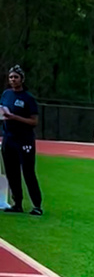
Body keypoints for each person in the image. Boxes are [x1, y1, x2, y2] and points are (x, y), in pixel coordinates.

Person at [1, 65, 43, 215]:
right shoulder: (6, 94)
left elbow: (34, 122)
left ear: (22, 79)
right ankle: (16, 203)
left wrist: (14, 117)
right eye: (11, 77)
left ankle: (36, 205)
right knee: (11, 172)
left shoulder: (28, 98)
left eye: (16, 77)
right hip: (8, 138)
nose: (13, 80)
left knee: (28, 172)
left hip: (24, 140)